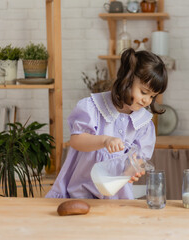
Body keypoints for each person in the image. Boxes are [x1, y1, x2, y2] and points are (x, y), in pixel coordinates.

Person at [46, 48, 168, 199]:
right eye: (143, 92)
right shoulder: (93, 108)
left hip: (116, 195)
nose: (146, 100)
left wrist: (133, 169)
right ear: (127, 79)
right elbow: (76, 141)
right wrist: (105, 140)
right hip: (82, 189)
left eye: (152, 96)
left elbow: (140, 158)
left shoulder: (143, 124)